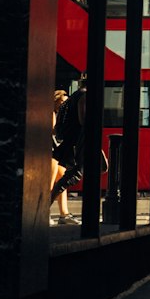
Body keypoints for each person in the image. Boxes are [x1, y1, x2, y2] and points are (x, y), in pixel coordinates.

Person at [50, 76, 88, 207]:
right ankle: (44, 207)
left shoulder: (72, 97)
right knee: (74, 174)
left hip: (70, 140)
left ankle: (61, 213)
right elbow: (83, 120)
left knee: (69, 175)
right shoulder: (84, 95)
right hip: (78, 141)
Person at [50, 89, 78, 225]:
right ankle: (45, 213)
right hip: (50, 150)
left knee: (61, 181)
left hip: (55, 150)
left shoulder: (60, 115)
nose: (65, 105)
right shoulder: (52, 114)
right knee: (50, 183)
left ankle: (64, 214)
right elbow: (54, 130)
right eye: (62, 102)